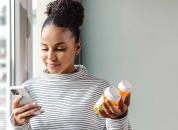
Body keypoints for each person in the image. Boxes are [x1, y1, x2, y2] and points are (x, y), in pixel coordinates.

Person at [11, 0, 132, 129]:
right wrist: (19, 124)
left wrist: (119, 117)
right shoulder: (29, 89)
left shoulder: (100, 90)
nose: (50, 57)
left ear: (77, 47)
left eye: (60, 49)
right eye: (45, 48)